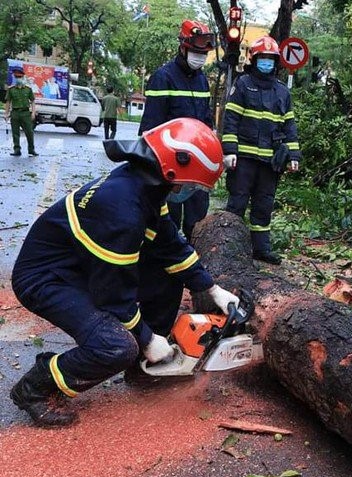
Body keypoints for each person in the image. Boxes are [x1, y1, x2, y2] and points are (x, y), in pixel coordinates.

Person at [10, 117, 239, 428]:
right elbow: (113, 297)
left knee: (167, 270)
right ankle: (36, 387)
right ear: (173, 171)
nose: (189, 191)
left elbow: (170, 244)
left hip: (81, 267)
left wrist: (211, 289)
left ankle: (143, 367)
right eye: (191, 185)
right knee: (116, 346)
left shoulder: (145, 186)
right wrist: (145, 339)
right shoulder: (122, 212)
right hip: (45, 279)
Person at [221, 36, 302, 265]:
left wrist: (294, 155)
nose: (266, 63)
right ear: (254, 60)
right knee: (237, 204)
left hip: (270, 163)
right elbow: (231, 120)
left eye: (270, 59)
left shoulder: (282, 92)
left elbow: (289, 126)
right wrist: (229, 151)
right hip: (244, 159)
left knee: (264, 205)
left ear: (276, 62)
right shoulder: (243, 85)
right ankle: (228, 248)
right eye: (262, 58)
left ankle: (261, 250)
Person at [139, 19, 215, 242]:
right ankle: (164, 266)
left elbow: (206, 120)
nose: (199, 57)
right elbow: (151, 125)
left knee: (197, 218)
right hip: (170, 163)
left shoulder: (202, 80)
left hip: (197, 162)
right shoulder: (163, 77)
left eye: (203, 54)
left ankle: (191, 262)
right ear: (183, 47)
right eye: (195, 51)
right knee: (167, 221)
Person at [4, 68, 38, 157]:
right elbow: (8, 102)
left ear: (23, 77)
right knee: (15, 133)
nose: (18, 78)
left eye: (19, 76)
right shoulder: (11, 90)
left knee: (29, 133)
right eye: (16, 77)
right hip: (15, 113)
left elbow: (33, 101)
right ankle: (17, 150)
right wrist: (6, 114)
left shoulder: (28, 89)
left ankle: (31, 150)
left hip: (25, 113)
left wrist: (33, 112)